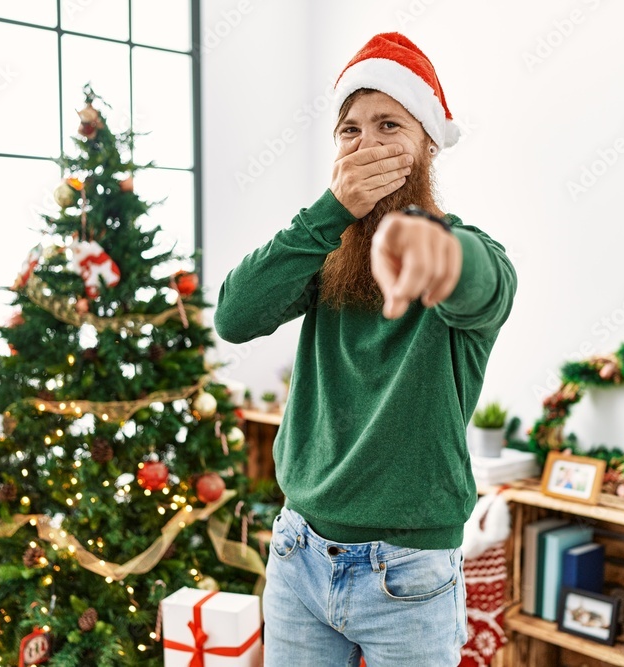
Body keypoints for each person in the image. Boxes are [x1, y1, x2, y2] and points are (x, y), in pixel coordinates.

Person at [214, 32, 517, 666]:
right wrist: (330, 211)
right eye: (350, 130)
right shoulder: (319, 252)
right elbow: (235, 316)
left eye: (389, 125)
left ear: (427, 144)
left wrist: (438, 253)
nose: (367, 144)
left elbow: (484, 287)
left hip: (408, 576)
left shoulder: (461, 250)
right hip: (299, 558)